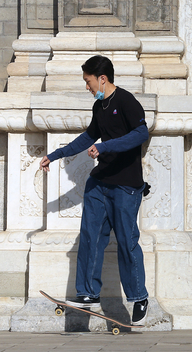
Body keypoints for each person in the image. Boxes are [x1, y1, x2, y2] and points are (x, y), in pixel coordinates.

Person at [40, 55, 150, 326]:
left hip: (126, 185)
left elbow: (141, 133)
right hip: (99, 184)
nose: (87, 87)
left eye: (88, 82)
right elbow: (89, 137)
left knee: (126, 241)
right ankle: (88, 294)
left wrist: (105, 147)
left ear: (102, 78)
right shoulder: (99, 106)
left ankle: (139, 297)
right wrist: (55, 155)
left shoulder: (126, 101)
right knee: (90, 238)